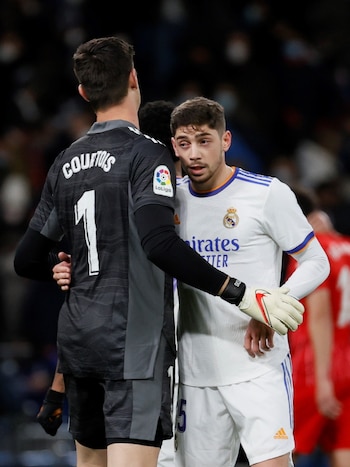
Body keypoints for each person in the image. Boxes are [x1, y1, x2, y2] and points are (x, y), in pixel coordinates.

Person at [13, 36, 305, 467]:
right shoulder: (147, 155)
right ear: (133, 78)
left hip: (79, 344)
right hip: (134, 349)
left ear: (83, 93)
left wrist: (62, 268)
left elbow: (25, 260)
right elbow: (159, 244)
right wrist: (243, 294)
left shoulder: (64, 161)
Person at [168, 97, 330, 467]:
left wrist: (269, 307)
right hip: (194, 372)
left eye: (204, 140)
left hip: (258, 365)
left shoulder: (266, 194)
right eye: (183, 143)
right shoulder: (170, 200)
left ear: (226, 141)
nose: (193, 153)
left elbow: (316, 261)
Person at [286, 186, 350, 467]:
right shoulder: (343, 244)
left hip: (315, 366)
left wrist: (323, 377)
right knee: (343, 447)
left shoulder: (311, 250)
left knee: (284, 449)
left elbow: (320, 314)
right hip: (347, 362)